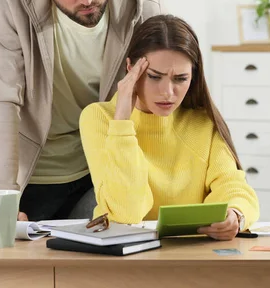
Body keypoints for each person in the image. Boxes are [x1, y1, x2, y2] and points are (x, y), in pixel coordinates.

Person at [0, 0, 166, 221]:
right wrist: (3, 198)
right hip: (25, 178)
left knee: (99, 269)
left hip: (98, 174)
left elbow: (178, 105)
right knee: (15, 270)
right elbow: (1, 100)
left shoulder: (144, 10)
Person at [80, 15, 260, 241]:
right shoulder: (99, 118)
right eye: (155, 77)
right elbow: (127, 212)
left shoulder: (202, 121)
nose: (168, 92)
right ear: (130, 68)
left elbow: (234, 187)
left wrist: (235, 215)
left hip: (192, 255)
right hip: (124, 257)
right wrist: (122, 123)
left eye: (180, 79)